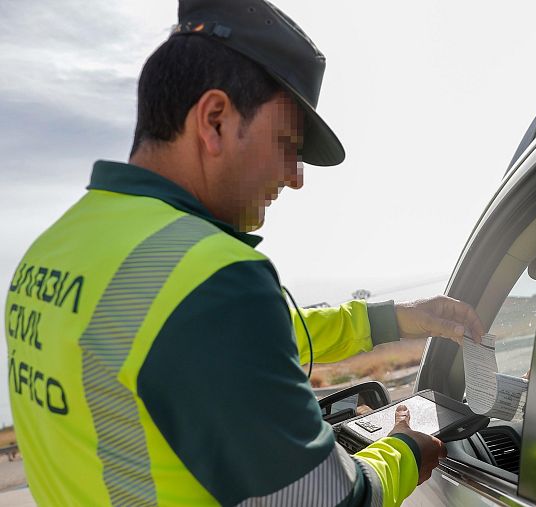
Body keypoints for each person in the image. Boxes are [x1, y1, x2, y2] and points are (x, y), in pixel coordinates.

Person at [4, 0, 485, 505]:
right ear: (214, 120)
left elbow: (218, 346)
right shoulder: (209, 278)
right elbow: (330, 500)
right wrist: (404, 452)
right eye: (286, 145)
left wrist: (397, 318)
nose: (294, 178)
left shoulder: (51, 251)